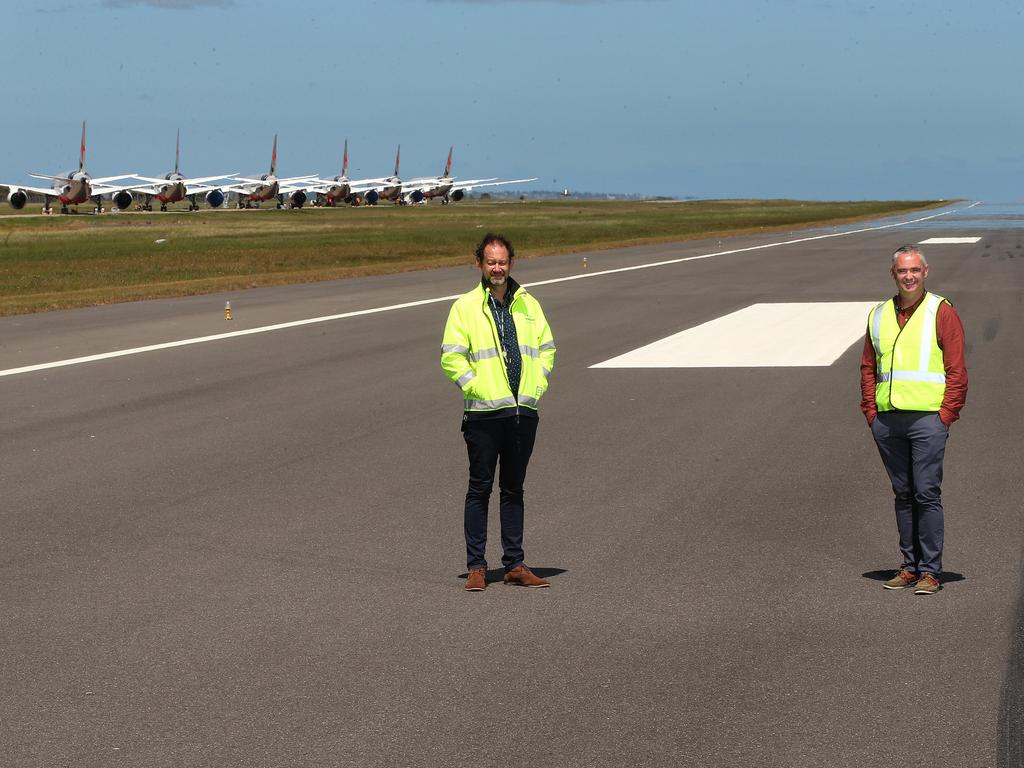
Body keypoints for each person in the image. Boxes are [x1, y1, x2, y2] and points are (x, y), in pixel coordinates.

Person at [441, 233, 556, 591]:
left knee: (513, 489)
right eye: (490, 261)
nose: (497, 267)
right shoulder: (465, 307)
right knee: (480, 489)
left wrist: (536, 388)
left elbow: (547, 348)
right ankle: (477, 566)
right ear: (479, 264)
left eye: (502, 261)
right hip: (484, 415)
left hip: (522, 413)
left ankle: (515, 564)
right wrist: (475, 386)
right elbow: (451, 356)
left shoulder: (529, 304)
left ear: (511, 263)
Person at [861, 244, 968, 595]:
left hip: (927, 419)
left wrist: (946, 414)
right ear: (894, 274)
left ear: (925, 272)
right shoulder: (878, 314)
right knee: (903, 494)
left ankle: (931, 571)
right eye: (902, 271)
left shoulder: (942, 311)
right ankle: (909, 567)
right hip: (888, 421)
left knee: (926, 492)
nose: (908, 276)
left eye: (914, 270)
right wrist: (871, 411)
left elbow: (957, 369)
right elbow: (868, 365)